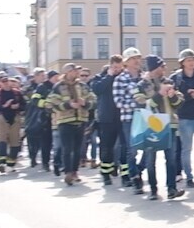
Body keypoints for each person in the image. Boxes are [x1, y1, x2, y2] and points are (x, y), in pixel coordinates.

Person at [134, 56, 186, 201]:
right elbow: (141, 105)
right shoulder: (141, 85)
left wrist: (173, 96)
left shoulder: (169, 82)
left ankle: (171, 189)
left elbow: (179, 103)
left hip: (170, 125)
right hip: (151, 127)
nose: (164, 69)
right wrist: (159, 95)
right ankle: (153, 190)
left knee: (171, 159)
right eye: (162, 66)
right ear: (154, 68)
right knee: (150, 161)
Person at [46, 63, 97, 187]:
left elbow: (93, 99)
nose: (76, 73)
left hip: (81, 120)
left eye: (76, 71)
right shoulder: (59, 86)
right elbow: (50, 103)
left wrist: (85, 103)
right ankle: (68, 172)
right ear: (67, 72)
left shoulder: (83, 86)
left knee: (78, 148)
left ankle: (75, 171)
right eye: (74, 71)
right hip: (65, 121)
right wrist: (68, 105)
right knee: (67, 148)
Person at [170, 49, 194, 188]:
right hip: (184, 118)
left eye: (193, 60)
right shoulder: (176, 78)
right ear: (182, 63)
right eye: (188, 60)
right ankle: (189, 176)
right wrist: (185, 94)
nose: (191, 63)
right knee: (186, 149)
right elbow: (172, 96)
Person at [89, 55, 124, 185]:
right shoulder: (100, 77)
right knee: (106, 147)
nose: (117, 70)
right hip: (106, 118)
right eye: (115, 67)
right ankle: (105, 174)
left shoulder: (123, 78)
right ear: (110, 66)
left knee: (122, 146)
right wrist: (109, 77)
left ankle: (122, 172)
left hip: (121, 116)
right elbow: (97, 90)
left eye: (119, 68)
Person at [113, 48, 144, 188]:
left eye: (138, 58)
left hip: (145, 118)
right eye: (133, 58)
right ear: (126, 62)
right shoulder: (120, 79)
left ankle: (139, 169)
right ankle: (134, 176)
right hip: (129, 118)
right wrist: (137, 104)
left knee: (150, 147)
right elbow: (119, 102)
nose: (137, 61)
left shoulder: (144, 77)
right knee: (132, 149)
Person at [0, 74, 25, 172]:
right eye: (3, 81)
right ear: (0, 83)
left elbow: (24, 105)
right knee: (1, 139)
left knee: (15, 141)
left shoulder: (17, 93)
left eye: (7, 81)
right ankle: (1, 162)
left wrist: (18, 106)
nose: (5, 83)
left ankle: (11, 163)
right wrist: (4, 106)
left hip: (15, 118)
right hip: (1, 119)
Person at [24, 69, 54, 171]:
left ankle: (45, 162)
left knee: (46, 141)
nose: (43, 77)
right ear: (35, 76)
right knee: (32, 140)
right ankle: (33, 157)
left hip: (45, 118)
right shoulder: (30, 88)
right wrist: (46, 104)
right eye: (41, 75)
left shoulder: (49, 86)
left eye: (44, 75)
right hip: (33, 116)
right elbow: (33, 101)